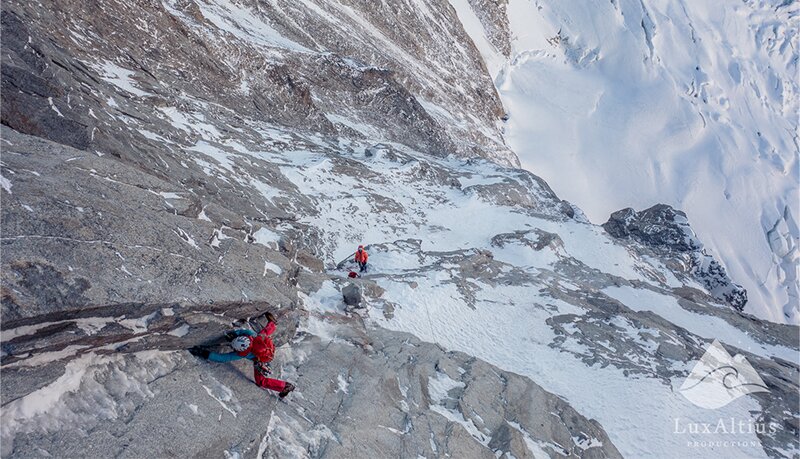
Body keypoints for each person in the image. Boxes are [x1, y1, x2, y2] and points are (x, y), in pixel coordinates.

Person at [189, 311, 295, 399]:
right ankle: (272, 323)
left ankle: (285, 386)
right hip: (266, 349)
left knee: (261, 382)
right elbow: (244, 331)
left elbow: (222, 358)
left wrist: (204, 353)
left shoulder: (243, 354)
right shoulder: (253, 336)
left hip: (261, 360)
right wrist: (235, 334)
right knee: (264, 333)